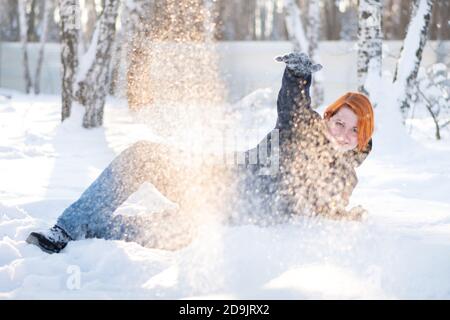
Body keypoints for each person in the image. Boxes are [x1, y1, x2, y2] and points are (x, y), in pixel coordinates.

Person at [26, 52, 374, 254]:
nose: (342, 134)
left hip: (219, 220)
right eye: (339, 122)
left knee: (160, 232)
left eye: (354, 131)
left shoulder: (344, 174)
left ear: (362, 140)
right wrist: (298, 75)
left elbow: (326, 203)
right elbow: (293, 107)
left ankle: (93, 228)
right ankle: (66, 229)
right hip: (208, 179)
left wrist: (342, 215)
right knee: (144, 153)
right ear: (328, 116)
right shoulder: (302, 129)